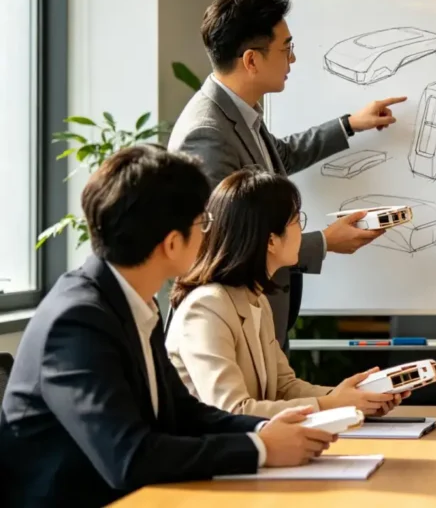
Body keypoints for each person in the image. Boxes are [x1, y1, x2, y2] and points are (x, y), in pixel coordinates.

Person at [0, 145, 336, 507]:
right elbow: (129, 457)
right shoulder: (77, 321)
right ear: (172, 243)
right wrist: (259, 449)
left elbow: (184, 412)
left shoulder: (133, 302)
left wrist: (263, 430)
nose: (209, 234)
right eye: (202, 223)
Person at [168, 0, 405, 349]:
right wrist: (325, 242)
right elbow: (222, 245)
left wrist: (351, 124)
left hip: (258, 325)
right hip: (230, 333)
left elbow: (279, 156)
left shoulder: (239, 112)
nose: (292, 60)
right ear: (251, 60)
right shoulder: (207, 133)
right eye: (286, 49)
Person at [165, 167, 410, 418]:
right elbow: (232, 410)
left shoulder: (256, 298)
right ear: (271, 241)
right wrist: (333, 404)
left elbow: (284, 388)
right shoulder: (206, 307)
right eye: (296, 220)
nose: (301, 231)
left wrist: (354, 398)